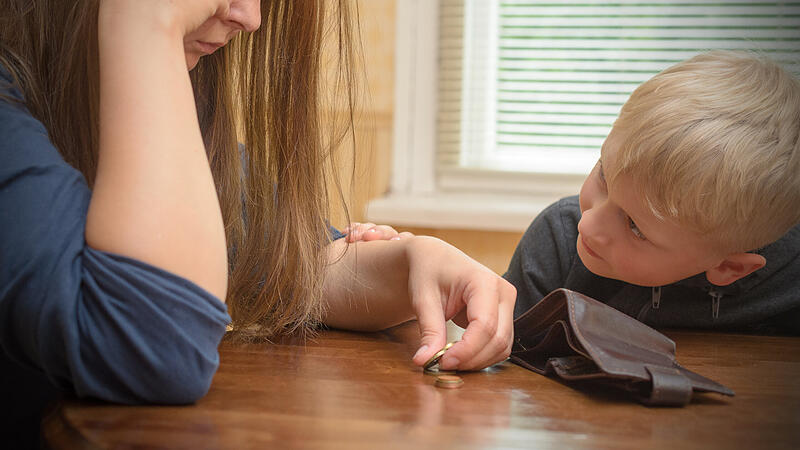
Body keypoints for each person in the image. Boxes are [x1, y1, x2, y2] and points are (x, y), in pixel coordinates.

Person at [0, 0, 515, 446]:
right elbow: (156, 350)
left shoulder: (180, 105)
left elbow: (295, 266)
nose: (250, 17)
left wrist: (413, 262)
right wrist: (145, 21)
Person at [505, 50, 800, 335]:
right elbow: (507, 350)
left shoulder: (790, 284)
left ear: (728, 266)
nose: (588, 225)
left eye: (635, 227)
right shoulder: (557, 240)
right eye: (604, 176)